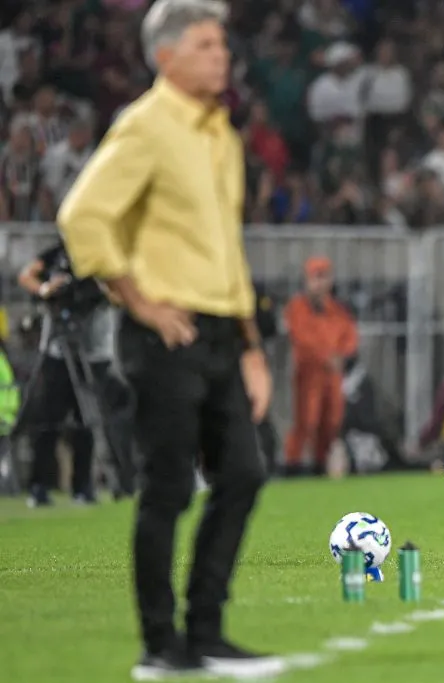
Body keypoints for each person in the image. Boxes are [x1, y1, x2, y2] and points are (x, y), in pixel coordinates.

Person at [56, 0, 278, 679]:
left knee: (243, 471)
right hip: (165, 332)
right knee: (169, 487)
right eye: (208, 45)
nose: (223, 56)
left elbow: (227, 252)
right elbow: (83, 215)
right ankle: (161, 646)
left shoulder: (221, 135)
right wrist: (141, 301)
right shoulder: (147, 126)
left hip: (218, 330)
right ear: (166, 56)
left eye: (222, 45)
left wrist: (251, 346)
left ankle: (205, 633)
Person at [16, 239, 118, 506]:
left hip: (93, 350)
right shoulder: (58, 253)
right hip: (57, 349)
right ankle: (39, 487)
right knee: (48, 419)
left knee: (87, 420)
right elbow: (26, 275)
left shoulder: (104, 251)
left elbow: (121, 290)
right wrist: (46, 288)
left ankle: (83, 486)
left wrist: (99, 287)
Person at [283, 255, 359, 476]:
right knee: (306, 420)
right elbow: (301, 338)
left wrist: (342, 356)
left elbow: (349, 335)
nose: (319, 283)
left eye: (323, 277)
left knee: (331, 421)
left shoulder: (336, 309)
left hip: (332, 373)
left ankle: (319, 463)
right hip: (309, 372)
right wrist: (329, 357)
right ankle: (293, 465)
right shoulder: (297, 308)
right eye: (315, 277)